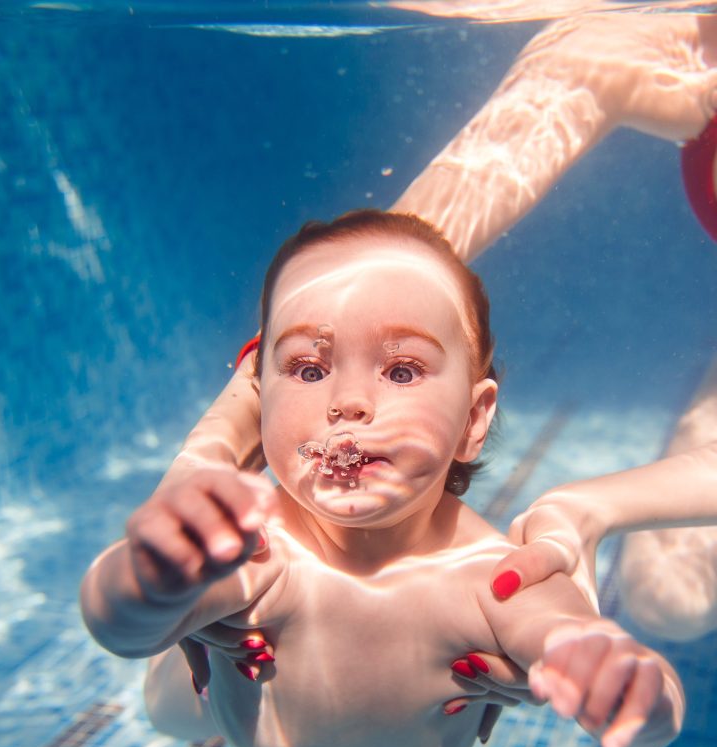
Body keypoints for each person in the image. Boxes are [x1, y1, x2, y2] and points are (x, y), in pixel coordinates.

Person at [156, 10, 717, 682]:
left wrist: (608, 504)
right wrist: (212, 449)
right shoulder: (660, 49)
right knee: (669, 596)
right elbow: (377, 276)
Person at [80, 210, 685, 747]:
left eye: (400, 371)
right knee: (167, 710)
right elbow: (120, 629)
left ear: (473, 420)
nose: (348, 401)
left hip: (332, 740)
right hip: (220, 708)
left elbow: (618, 674)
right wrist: (150, 574)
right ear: (259, 400)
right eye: (309, 370)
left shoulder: (494, 577)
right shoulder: (259, 553)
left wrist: (631, 692)